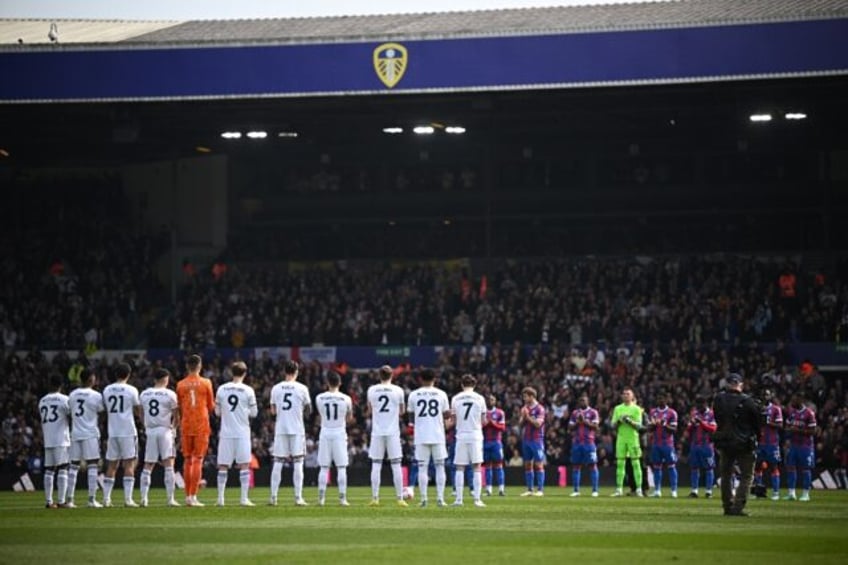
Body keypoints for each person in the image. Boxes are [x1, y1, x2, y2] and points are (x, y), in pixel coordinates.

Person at [713, 373, 760, 516]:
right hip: (744, 443)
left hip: (725, 442)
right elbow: (757, 424)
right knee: (746, 476)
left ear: (726, 384)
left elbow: (717, 418)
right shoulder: (748, 401)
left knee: (726, 475)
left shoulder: (719, 399)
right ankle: (738, 507)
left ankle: (727, 506)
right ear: (741, 384)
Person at [214, 361, 258, 507]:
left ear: (231, 372)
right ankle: (243, 499)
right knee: (245, 465)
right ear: (245, 373)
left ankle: (220, 499)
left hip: (226, 432)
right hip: (242, 432)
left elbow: (217, 412)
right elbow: (254, 413)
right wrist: (243, 411)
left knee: (223, 466)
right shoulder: (248, 390)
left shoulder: (222, 389)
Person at [269, 360, 311, 506]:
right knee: (298, 462)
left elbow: (273, 411)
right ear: (296, 372)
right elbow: (308, 409)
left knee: (278, 462)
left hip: (281, 428)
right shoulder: (302, 388)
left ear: (284, 371)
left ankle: (273, 498)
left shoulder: (276, 388)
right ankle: (298, 498)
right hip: (297, 429)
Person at [407, 368, 451, 507]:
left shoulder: (413, 395)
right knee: (440, 467)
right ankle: (440, 499)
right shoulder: (441, 394)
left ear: (420, 379)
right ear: (435, 379)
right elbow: (446, 415)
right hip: (437, 434)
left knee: (422, 468)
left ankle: (424, 499)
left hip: (421, 435)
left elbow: (411, 417)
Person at [176, 354, 215, 507]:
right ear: (200, 366)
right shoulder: (206, 383)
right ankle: (193, 496)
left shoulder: (180, 385)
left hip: (186, 424)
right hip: (201, 425)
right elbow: (211, 406)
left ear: (187, 366)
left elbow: (179, 407)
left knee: (187, 460)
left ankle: (187, 496)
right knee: (198, 459)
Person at [365, 365, 407, 507]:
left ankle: (375, 498)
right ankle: (400, 498)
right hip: (393, 432)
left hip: (377, 432)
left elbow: (369, 410)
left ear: (379, 375)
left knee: (376, 465)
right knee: (396, 465)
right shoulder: (398, 390)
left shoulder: (371, 390)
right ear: (392, 376)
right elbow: (402, 412)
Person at [101, 362, 141, 507]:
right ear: (128, 375)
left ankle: (106, 499)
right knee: (129, 464)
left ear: (116, 374)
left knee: (112, 465)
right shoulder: (132, 390)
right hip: (128, 431)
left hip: (113, 432)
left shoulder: (107, 390)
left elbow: (105, 408)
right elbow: (137, 410)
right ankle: (128, 499)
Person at [139, 367, 180, 507]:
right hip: (164, 431)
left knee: (148, 464)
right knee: (169, 464)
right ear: (165, 379)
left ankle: (144, 499)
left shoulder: (144, 394)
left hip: (151, 430)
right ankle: (170, 499)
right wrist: (173, 429)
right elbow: (177, 416)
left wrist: (146, 426)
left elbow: (141, 413)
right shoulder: (170, 394)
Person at [314, 371, 354, 506]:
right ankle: (342, 499)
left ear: (327, 383)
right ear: (340, 383)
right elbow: (349, 418)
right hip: (339, 433)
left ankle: (321, 499)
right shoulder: (347, 399)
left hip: (325, 432)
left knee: (324, 467)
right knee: (341, 467)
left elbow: (320, 415)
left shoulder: (319, 398)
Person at [67, 368, 105, 508]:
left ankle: (70, 500)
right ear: (91, 379)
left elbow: (70, 411)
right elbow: (102, 411)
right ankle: (91, 499)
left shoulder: (72, 394)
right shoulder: (96, 395)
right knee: (93, 465)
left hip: (76, 433)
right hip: (90, 433)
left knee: (73, 466)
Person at [449, 374, 487, 507]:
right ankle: (477, 500)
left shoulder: (455, 398)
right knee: (476, 467)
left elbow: (453, 421)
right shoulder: (480, 398)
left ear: (462, 385)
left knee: (459, 467)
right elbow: (483, 421)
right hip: (475, 435)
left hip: (461, 435)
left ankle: (459, 500)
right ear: (474, 385)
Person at [38, 373, 71, 508]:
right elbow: (71, 415)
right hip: (61, 438)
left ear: (49, 384)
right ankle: (62, 501)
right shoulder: (64, 399)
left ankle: (49, 501)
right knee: (63, 468)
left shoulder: (42, 400)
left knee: (49, 470)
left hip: (48, 438)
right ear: (61, 385)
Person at [610, 387, 644, 497]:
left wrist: (629, 421)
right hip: (621, 439)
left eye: (628, 394)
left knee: (636, 463)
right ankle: (619, 489)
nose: (625, 395)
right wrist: (619, 421)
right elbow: (612, 425)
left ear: (632, 396)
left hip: (633, 439)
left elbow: (639, 426)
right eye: (624, 394)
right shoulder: (617, 408)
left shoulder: (637, 409)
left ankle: (639, 489)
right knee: (620, 464)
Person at [783, 392, 817, 501]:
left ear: (800, 400)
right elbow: (788, 426)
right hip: (793, 445)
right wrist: (787, 435)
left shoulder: (809, 413)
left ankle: (805, 494)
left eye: (794, 400)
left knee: (806, 469)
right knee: (791, 468)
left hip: (805, 446)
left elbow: (813, 431)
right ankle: (791, 493)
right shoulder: (792, 413)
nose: (792, 402)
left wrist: (796, 430)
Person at [647, 391, 679, 498]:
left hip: (667, 444)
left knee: (671, 466)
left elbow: (674, 429)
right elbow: (649, 429)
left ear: (667, 400)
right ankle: (657, 490)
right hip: (656, 443)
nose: (660, 400)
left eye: (662, 398)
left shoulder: (672, 413)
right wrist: (654, 425)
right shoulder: (652, 412)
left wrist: (664, 424)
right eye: (659, 398)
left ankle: (674, 491)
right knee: (656, 467)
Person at [567, 392, 600, 497]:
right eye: (581, 400)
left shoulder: (593, 412)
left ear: (588, 401)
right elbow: (570, 427)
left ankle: (595, 490)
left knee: (592, 465)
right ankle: (576, 490)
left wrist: (584, 421)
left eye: (584, 400)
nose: (582, 402)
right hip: (577, 443)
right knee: (576, 466)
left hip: (589, 443)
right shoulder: (575, 413)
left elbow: (596, 427)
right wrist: (578, 422)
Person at [753, 388, 783, 500]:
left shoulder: (776, 409)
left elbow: (780, 425)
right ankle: (759, 493)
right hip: (760, 442)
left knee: (773, 467)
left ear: (770, 396)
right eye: (763, 394)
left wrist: (767, 422)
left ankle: (776, 493)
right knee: (758, 467)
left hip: (772, 443)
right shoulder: (756, 408)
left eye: (766, 394)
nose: (764, 396)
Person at [685, 395, 717, 498]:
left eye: (700, 405)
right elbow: (689, 430)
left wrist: (701, 423)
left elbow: (713, 428)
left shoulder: (712, 414)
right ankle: (694, 491)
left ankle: (708, 491)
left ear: (705, 404)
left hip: (707, 445)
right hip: (695, 445)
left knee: (709, 468)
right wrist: (691, 425)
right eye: (697, 405)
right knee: (694, 468)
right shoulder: (694, 413)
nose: (698, 407)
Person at [519, 386, 546, 497]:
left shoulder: (540, 408)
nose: (524, 399)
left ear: (532, 396)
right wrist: (523, 417)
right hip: (527, 439)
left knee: (539, 464)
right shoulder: (524, 408)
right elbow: (520, 425)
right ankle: (530, 489)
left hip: (537, 440)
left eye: (525, 397)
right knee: (527, 464)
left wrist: (527, 416)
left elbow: (538, 424)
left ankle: (540, 490)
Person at [483, 394, 506, 496]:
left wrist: (493, 424)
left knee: (499, 465)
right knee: (487, 466)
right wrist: (485, 425)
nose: (490, 401)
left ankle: (501, 489)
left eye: (492, 399)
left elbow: (503, 427)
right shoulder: (482, 413)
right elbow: (478, 426)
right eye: (488, 399)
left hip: (496, 442)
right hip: (485, 442)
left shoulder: (500, 412)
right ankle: (489, 489)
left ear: (495, 401)